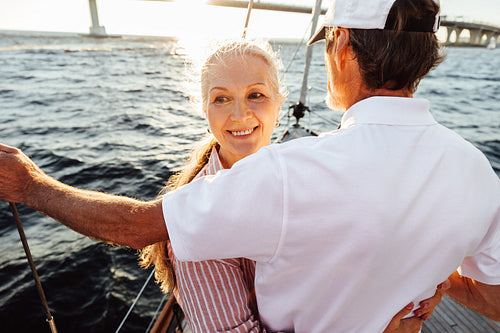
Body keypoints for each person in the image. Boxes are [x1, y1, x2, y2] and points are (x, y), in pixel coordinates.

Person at [0, 37, 443, 332]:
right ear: (203, 109)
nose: (238, 116)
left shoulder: (310, 169)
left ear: (278, 101)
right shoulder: (199, 232)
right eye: (220, 99)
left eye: (255, 95)